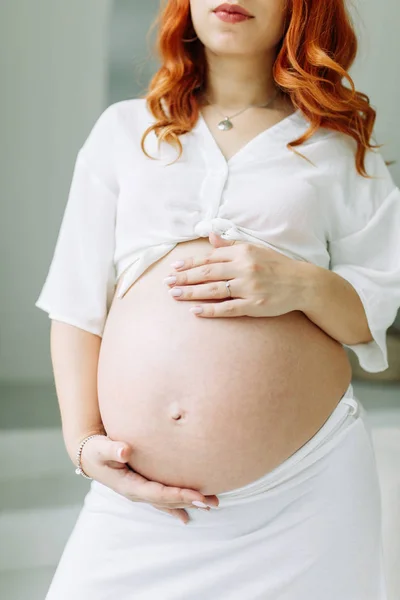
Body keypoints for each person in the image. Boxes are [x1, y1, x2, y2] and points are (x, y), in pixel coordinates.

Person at [35, 1, 400, 598]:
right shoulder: (125, 129)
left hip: (305, 496)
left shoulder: (336, 143)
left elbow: (374, 308)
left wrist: (299, 283)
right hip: (142, 506)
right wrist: (82, 443)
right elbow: (76, 301)